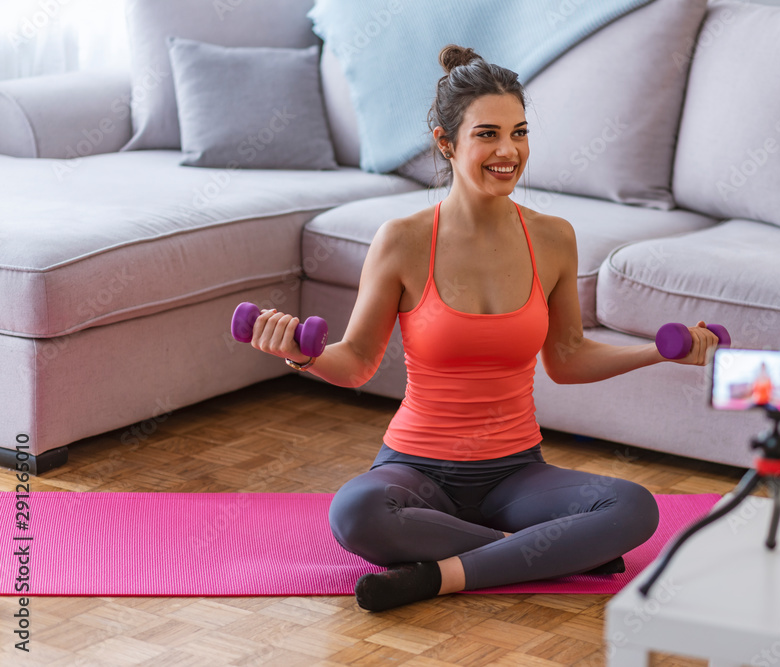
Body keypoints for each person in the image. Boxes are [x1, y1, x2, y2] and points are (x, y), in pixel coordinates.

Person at [249, 44, 719, 612]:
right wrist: (301, 355)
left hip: (515, 474)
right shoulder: (402, 240)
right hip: (415, 470)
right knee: (355, 513)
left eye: (519, 133)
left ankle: (434, 576)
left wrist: (658, 353)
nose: (508, 151)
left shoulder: (553, 238)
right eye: (487, 135)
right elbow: (355, 363)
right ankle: (548, 554)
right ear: (447, 144)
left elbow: (567, 358)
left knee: (634, 508)